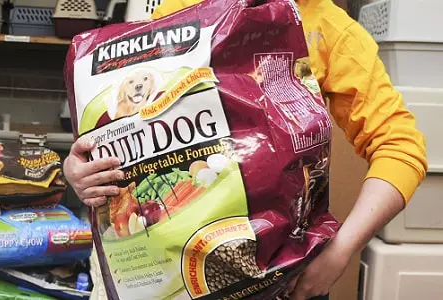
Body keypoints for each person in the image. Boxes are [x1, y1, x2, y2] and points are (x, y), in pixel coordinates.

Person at [63, 0, 428, 299]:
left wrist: (341, 250)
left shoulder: (329, 28)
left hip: (285, 274)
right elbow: (134, 135)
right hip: (172, 273)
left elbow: (400, 147)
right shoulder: (180, 11)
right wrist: (81, 170)